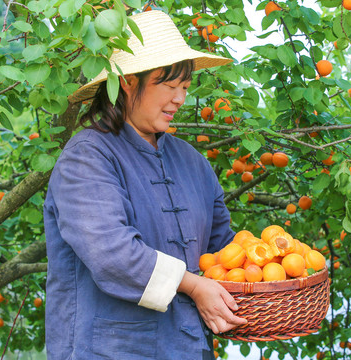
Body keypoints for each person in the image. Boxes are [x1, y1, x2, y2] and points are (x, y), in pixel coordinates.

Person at [43, 9, 247, 360]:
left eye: (184, 87)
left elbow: (223, 253)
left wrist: (267, 275)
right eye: (169, 85)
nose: (180, 99)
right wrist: (195, 286)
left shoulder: (192, 162)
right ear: (128, 81)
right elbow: (112, 254)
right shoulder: (88, 156)